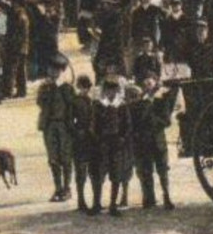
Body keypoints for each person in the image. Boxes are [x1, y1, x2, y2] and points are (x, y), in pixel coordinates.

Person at [132, 71, 178, 209]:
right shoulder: (139, 100)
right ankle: (148, 197)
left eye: (150, 81)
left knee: (162, 170)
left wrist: (151, 116)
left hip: (158, 138)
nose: (147, 84)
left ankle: (166, 196)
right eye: (145, 83)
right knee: (145, 170)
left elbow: (166, 120)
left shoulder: (161, 99)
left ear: (155, 82)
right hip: (143, 141)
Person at [95, 72, 136, 217]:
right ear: (104, 91)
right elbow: (95, 125)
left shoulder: (122, 106)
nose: (110, 92)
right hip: (104, 144)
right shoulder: (99, 105)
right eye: (108, 90)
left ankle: (113, 204)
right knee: (100, 174)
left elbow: (128, 125)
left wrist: (123, 138)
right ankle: (97, 204)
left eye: (113, 90)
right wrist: (99, 139)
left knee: (116, 174)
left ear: (117, 91)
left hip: (117, 144)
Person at [35, 57, 75, 202]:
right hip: (49, 125)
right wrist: (48, 88)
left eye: (56, 70)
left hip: (64, 125)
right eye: (51, 69)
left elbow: (72, 106)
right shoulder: (44, 87)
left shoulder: (67, 87)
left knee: (65, 157)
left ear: (61, 71)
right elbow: (40, 102)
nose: (53, 72)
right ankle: (58, 188)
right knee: (53, 158)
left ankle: (67, 187)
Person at [69, 75, 103, 213]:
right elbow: (70, 120)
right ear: (78, 87)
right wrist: (77, 131)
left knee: (96, 172)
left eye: (87, 87)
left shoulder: (95, 102)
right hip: (81, 140)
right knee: (80, 172)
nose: (85, 90)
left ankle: (96, 202)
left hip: (94, 140)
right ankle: (81, 201)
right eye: (82, 87)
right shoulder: (75, 102)